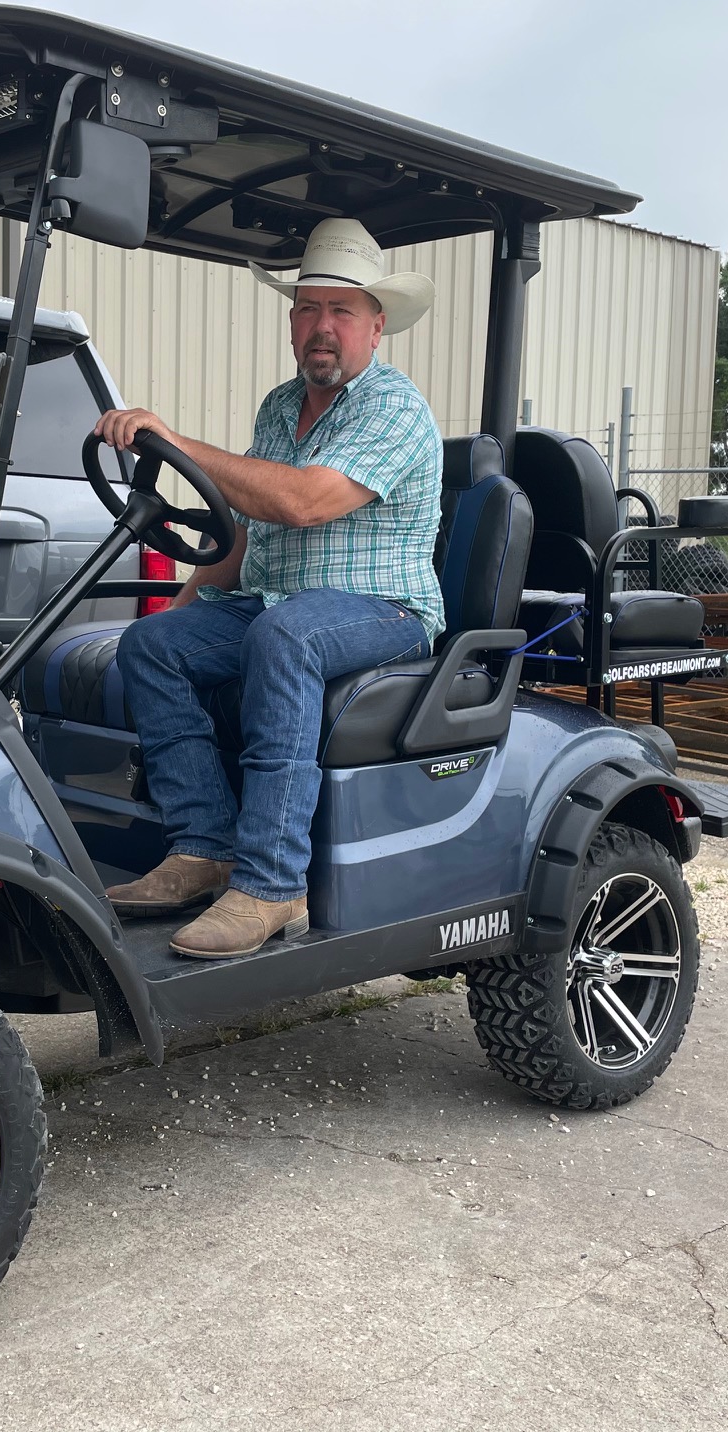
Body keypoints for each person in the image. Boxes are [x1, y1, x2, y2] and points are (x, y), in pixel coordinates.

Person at [93, 217, 443, 959]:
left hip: (385, 609)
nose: (323, 328)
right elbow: (246, 525)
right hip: (280, 602)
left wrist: (176, 439)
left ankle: (274, 883)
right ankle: (202, 848)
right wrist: (184, 613)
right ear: (291, 323)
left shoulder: (395, 407)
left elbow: (303, 501)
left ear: (376, 327)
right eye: (308, 309)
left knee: (284, 637)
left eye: (341, 312)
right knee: (151, 643)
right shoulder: (281, 408)